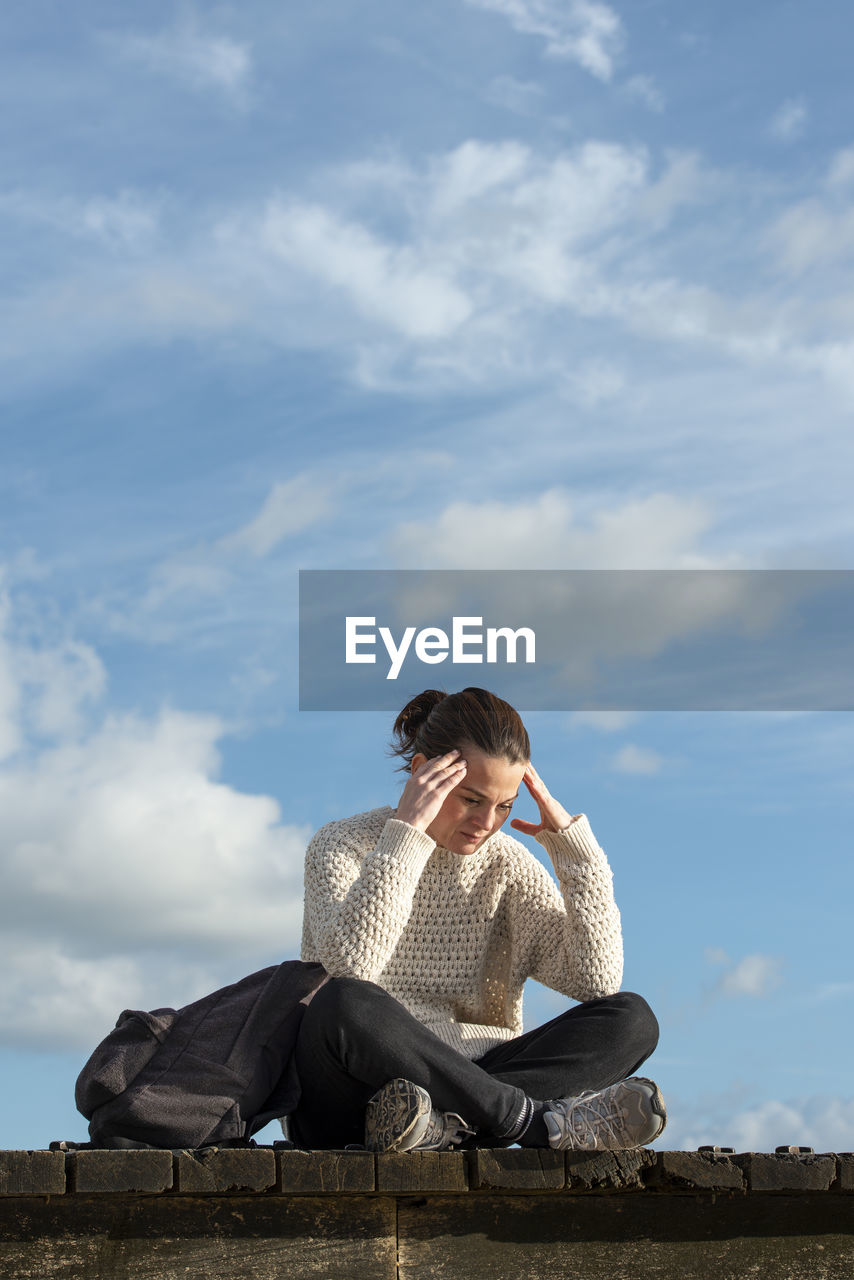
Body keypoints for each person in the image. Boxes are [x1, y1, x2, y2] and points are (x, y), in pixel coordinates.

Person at [290, 687, 666, 1152]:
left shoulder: (508, 866)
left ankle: (446, 1130)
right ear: (421, 772)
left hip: (479, 1079)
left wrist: (574, 853)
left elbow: (596, 981)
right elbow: (352, 966)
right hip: (353, 1099)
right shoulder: (343, 844)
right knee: (342, 1002)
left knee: (632, 1018)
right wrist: (406, 836)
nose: (487, 822)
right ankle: (531, 1124)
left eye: (504, 806)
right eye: (471, 799)